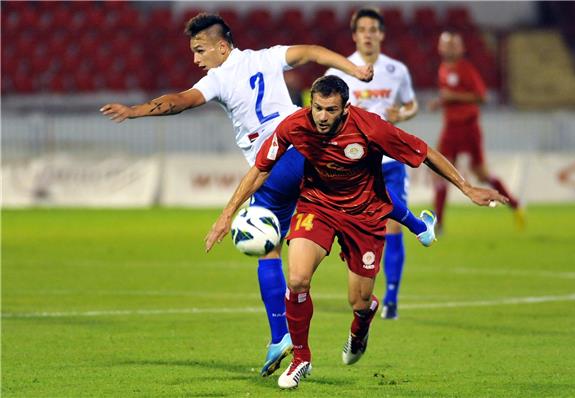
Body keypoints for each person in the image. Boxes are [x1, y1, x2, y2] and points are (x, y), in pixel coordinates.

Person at [99, 13, 374, 377]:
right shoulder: (267, 57)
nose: (196, 59)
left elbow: (181, 100)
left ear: (222, 46)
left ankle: (281, 336)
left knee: (266, 244)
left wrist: (135, 111)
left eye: (200, 50)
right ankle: (358, 296)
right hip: (311, 153)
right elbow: (312, 52)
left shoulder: (220, 77)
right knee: (317, 231)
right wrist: (353, 70)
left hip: (277, 166)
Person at [205, 75, 508, 389]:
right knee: (296, 279)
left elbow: (425, 152)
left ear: (345, 109)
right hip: (316, 206)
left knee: (359, 301)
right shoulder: (295, 125)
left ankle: (362, 324)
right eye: (318, 108)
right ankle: (301, 358)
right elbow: (260, 169)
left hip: (364, 216)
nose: (322, 117)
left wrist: (467, 187)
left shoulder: (371, 128)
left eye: (330, 110)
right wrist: (226, 215)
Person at [326, 8, 435, 321]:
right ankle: (361, 288)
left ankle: (391, 297)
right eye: (363, 29)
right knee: (355, 228)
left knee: (391, 223)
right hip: (354, 163)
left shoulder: (396, 70)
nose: (368, 34)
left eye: (374, 29)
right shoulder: (343, 70)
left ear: (381, 35)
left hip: (389, 160)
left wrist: (407, 114)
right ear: (355, 35)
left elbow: (410, 102)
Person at [428, 31, 524, 232]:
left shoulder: (466, 69)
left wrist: (451, 96)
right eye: (446, 45)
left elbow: (482, 96)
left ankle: (514, 204)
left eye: (453, 45)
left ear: (462, 48)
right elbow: (449, 96)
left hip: (469, 126)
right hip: (451, 127)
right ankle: (439, 223)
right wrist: (441, 101)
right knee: (441, 171)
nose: (449, 48)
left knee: (481, 173)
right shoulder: (443, 69)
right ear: (440, 48)